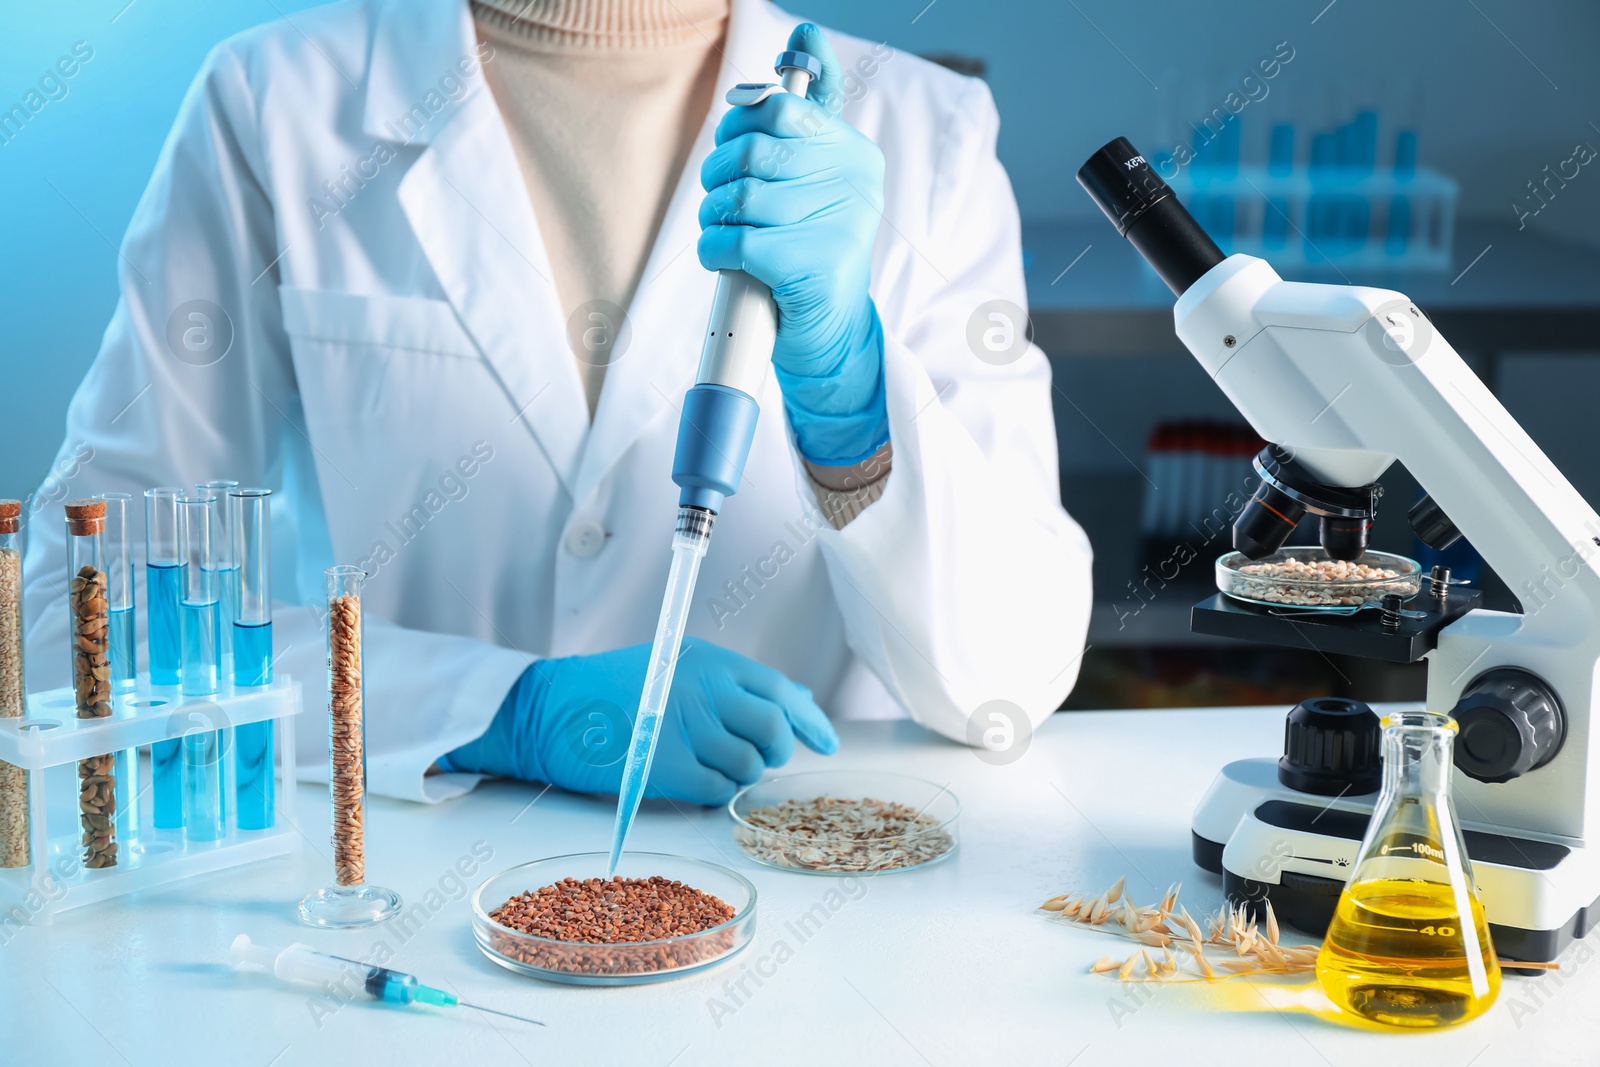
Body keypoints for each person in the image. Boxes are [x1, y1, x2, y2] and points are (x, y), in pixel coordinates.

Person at [22, 0, 1092, 805]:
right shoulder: (276, 102)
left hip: (802, 925)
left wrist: (850, 393)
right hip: (399, 910)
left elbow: (1004, 680)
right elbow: (73, 619)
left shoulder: (923, 130)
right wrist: (499, 710)